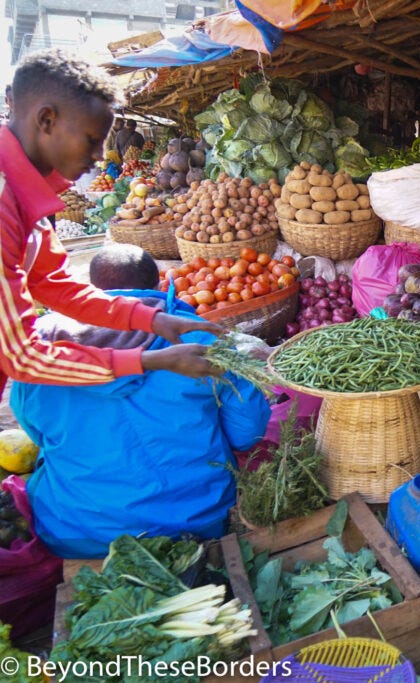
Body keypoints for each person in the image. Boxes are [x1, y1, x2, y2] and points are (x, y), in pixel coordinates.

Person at [10, 245, 271, 557]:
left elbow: (36, 434)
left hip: (78, 530)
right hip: (194, 520)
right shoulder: (199, 345)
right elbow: (247, 434)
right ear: (159, 286)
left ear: (90, 290)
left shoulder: (42, 359)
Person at [0, 48, 220, 397]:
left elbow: (55, 286)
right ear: (46, 120)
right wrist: (151, 360)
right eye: (92, 139)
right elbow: (22, 357)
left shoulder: (24, 196)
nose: (101, 156)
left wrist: (152, 319)